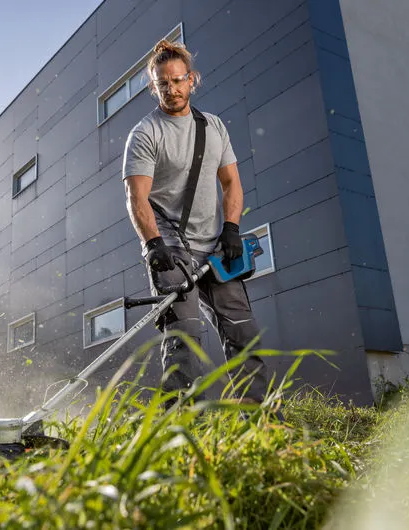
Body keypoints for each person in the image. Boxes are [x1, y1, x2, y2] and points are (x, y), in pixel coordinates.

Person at [122, 39, 277, 412]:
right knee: (185, 334)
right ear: (153, 87)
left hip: (215, 245)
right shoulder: (145, 134)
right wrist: (152, 245)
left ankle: (260, 418)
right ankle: (182, 425)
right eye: (163, 84)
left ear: (192, 79)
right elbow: (136, 197)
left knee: (242, 331)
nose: (172, 90)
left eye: (178, 81)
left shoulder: (214, 127)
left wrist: (232, 228)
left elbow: (232, 184)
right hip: (170, 245)